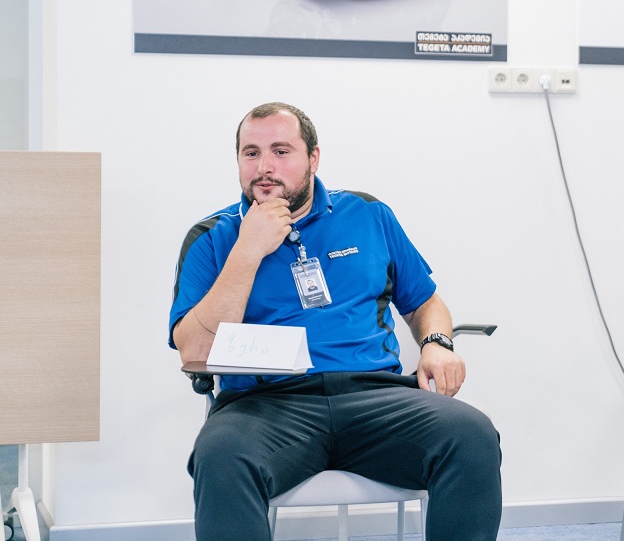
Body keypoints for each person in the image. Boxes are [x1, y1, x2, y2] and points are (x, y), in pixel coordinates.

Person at [169, 102, 502, 541]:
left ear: (313, 158)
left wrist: (437, 342)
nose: (265, 167)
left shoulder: (367, 215)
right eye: (251, 153)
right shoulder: (212, 236)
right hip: (265, 407)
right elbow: (194, 350)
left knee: (471, 434)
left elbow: (425, 303)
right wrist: (248, 248)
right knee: (220, 455)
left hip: (374, 397)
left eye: (281, 151)